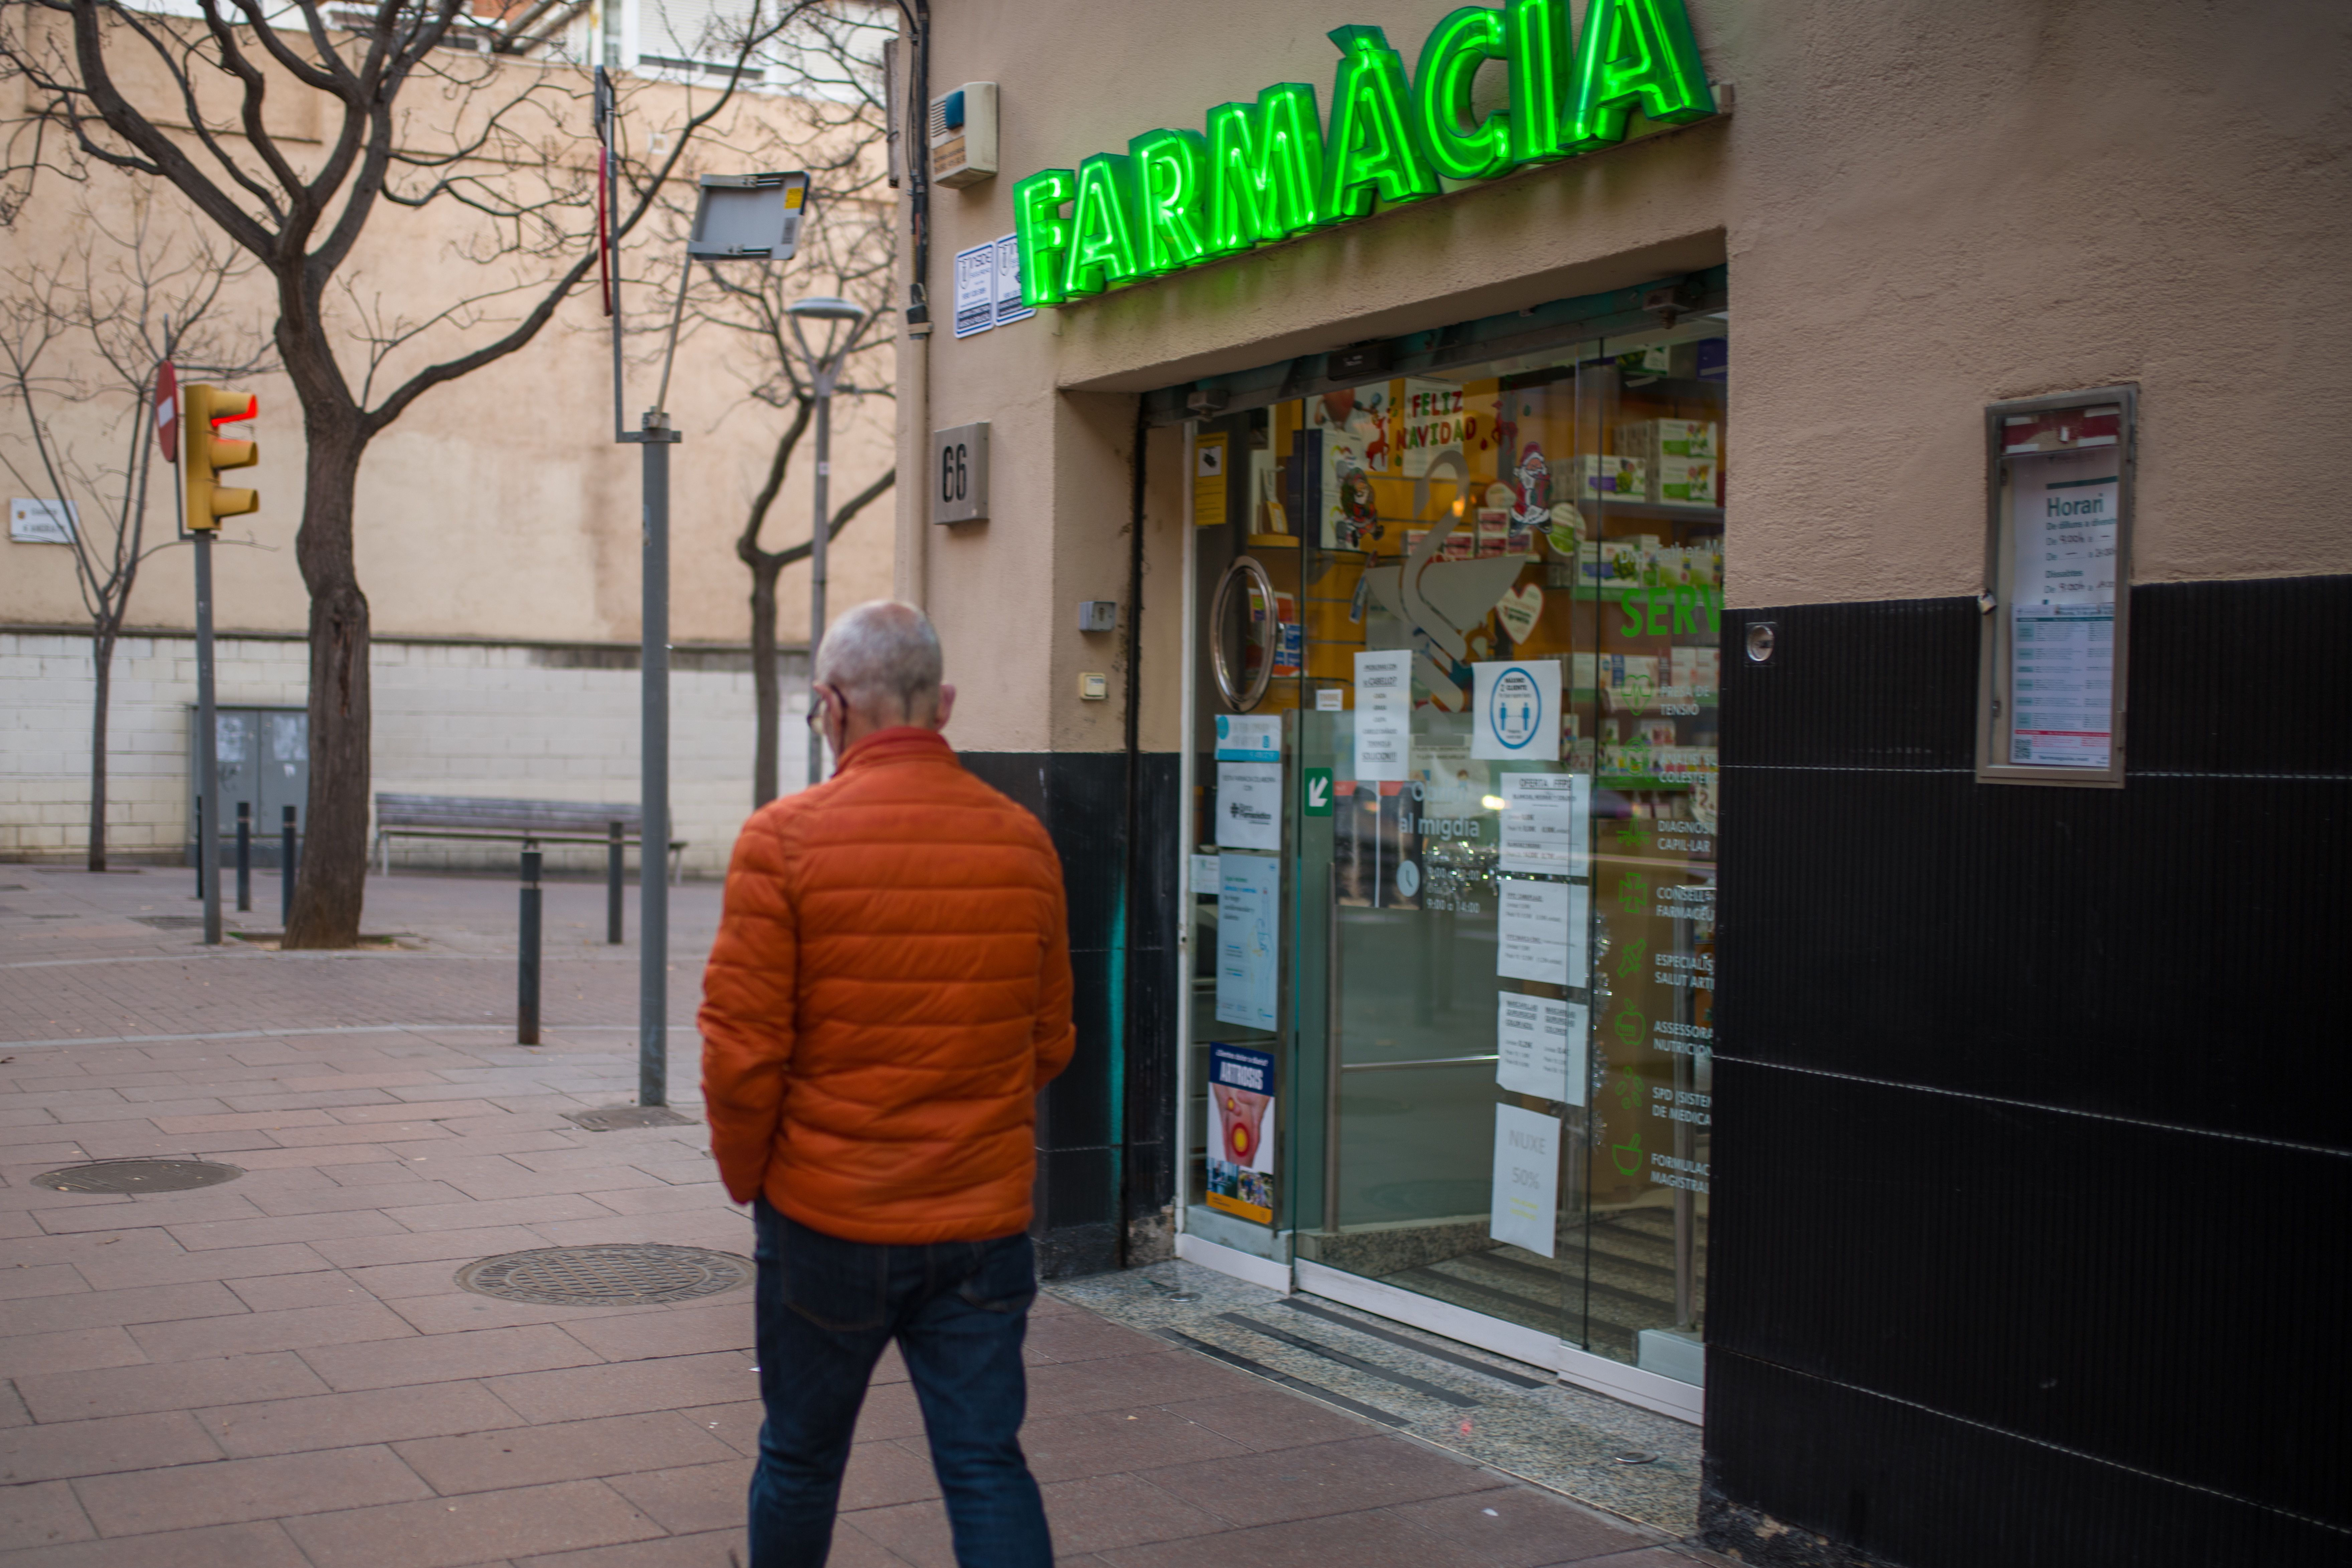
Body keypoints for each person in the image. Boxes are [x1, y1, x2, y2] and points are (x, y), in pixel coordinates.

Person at [700, 600, 1074, 1568]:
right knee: (987, 1464)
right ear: (941, 704)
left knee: (800, 1456)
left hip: (827, 1221)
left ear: (831, 706)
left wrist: (757, 1183)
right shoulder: (1024, 841)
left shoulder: (781, 842)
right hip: (981, 1229)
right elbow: (1050, 1042)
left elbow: (742, 1058)